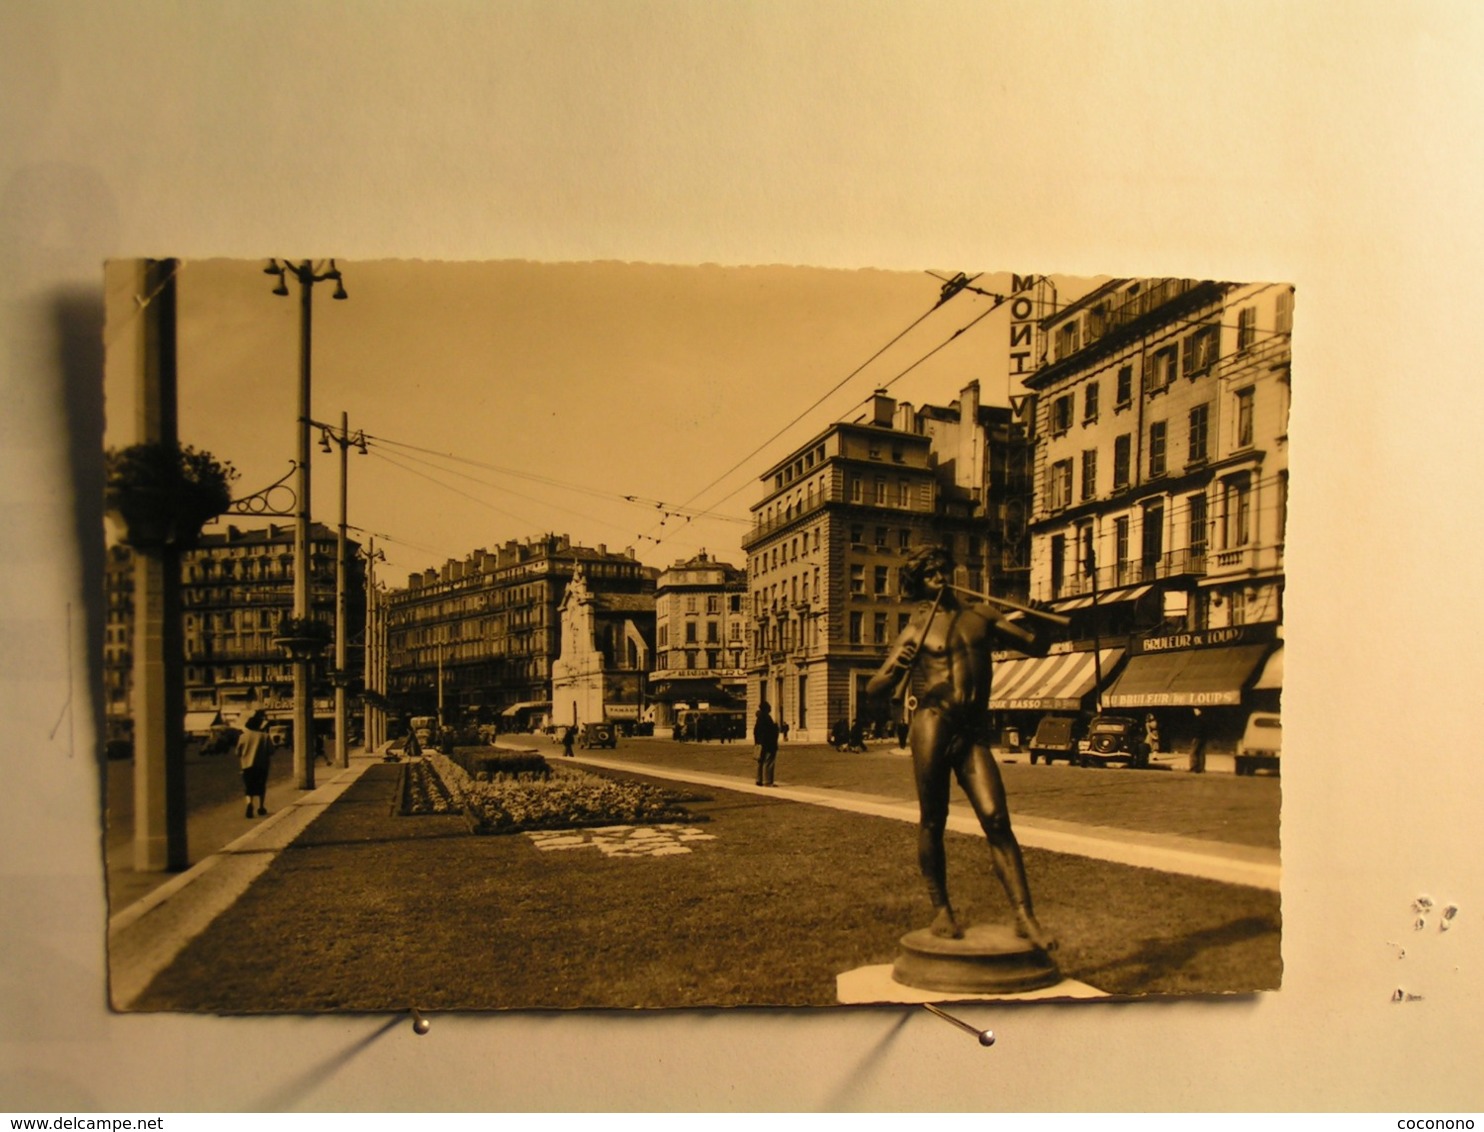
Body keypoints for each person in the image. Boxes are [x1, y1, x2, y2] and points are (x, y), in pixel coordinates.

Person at [866, 544, 1056, 949]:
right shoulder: (916, 628)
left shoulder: (981, 614)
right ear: (919, 582)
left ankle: (1025, 916)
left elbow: (1035, 645)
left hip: (971, 731)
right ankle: (941, 911)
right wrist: (896, 669)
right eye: (929, 573)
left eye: (941, 569)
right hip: (933, 724)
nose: (938, 576)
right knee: (933, 820)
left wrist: (1046, 622)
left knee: (997, 819)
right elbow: (876, 688)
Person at [236, 710, 272, 818]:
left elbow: (237, 752)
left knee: (249, 787)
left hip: (247, 765)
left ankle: (249, 803)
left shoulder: (242, 737)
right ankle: (261, 807)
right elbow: (271, 751)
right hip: (262, 765)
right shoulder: (265, 736)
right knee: (261, 786)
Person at [753, 701, 780, 786]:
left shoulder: (759, 719)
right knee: (769, 762)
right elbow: (770, 732)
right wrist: (775, 727)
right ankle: (767, 781)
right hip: (769, 744)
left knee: (760, 762)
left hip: (760, 744)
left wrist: (757, 742)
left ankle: (759, 779)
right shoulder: (767, 718)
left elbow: (756, 732)